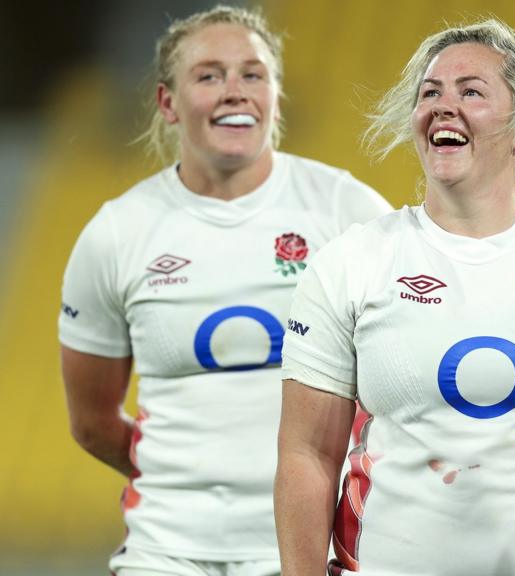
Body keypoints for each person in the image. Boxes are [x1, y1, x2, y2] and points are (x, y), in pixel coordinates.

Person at [274, 18, 515, 576]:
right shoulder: (352, 261)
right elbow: (307, 454)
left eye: (471, 91)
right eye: (430, 93)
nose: (444, 106)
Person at [58, 6, 391, 575]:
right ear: (168, 103)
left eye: (253, 74)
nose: (234, 91)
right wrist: (183, 480)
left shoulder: (346, 211)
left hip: (305, 552)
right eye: (209, 75)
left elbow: (408, 364)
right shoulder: (116, 233)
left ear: (276, 97)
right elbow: (92, 422)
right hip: (164, 550)